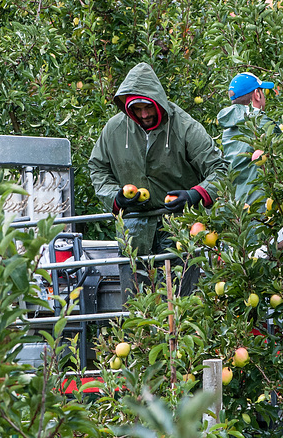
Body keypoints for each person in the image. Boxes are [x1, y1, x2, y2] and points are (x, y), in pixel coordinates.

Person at [89, 62, 229, 299]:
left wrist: (194, 195)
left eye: (148, 107)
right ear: (127, 107)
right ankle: (140, 339)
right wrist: (116, 197)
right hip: (133, 231)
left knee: (179, 303)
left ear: (158, 102)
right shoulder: (114, 130)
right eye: (137, 108)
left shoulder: (184, 127)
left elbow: (221, 170)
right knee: (137, 305)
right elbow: (97, 168)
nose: (144, 114)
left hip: (177, 228)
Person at [217, 72, 276, 205]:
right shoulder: (261, 121)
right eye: (262, 91)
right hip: (262, 205)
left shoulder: (227, 130)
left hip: (238, 208)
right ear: (257, 94)